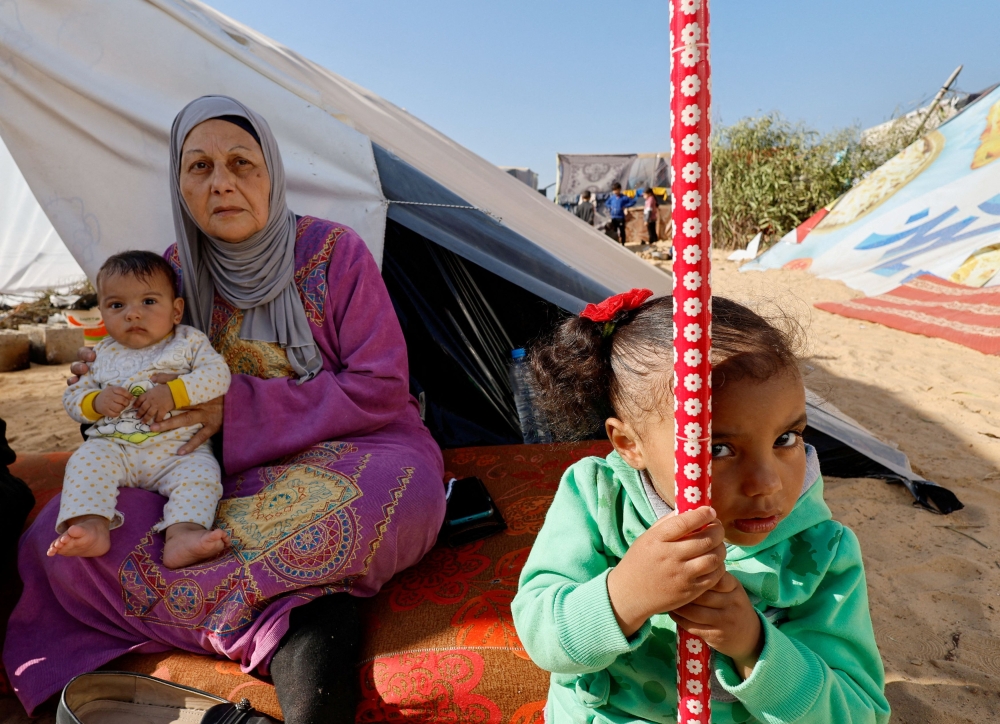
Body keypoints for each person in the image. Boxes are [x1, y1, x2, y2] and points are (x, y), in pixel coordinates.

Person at [4, 96, 447, 724]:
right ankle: (300, 618)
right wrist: (106, 380)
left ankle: (251, 615)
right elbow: (142, 368)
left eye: (242, 163)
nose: (222, 183)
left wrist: (232, 411)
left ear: (271, 174)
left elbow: (379, 387)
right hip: (210, 474)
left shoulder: (333, 253)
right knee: (67, 534)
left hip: (354, 453)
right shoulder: (174, 273)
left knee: (389, 496)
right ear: (179, 185)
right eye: (200, 167)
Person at [512, 291, 890, 724]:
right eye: (719, 448)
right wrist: (625, 595)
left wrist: (753, 645)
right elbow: (541, 637)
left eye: (786, 438)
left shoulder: (820, 554)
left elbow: (858, 713)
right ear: (629, 444)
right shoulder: (598, 499)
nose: (766, 483)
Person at [50, 251, 231, 568]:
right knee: (85, 460)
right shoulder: (100, 354)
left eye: (148, 302)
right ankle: (92, 523)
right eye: (117, 305)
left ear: (176, 311)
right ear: (102, 313)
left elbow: (217, 376)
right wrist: (95, 402)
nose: (132, 314)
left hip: (177, 451)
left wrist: (174, 393)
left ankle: (183, 534)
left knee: (202, 475)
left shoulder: (189, 342)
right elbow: (73, 396)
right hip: (114, 448)